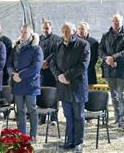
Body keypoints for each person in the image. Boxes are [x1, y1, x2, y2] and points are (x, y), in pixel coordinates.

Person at [50, 22, 90, 153]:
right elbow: (52, 63)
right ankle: (69, 141)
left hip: (77, 86)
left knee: (79, 115)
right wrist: (59, 76)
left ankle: (79, 142)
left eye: (67, 31)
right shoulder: (58, 45)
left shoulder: (83, 45)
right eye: (63, 31)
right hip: (63, 86)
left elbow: (83, 65)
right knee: (68, 115)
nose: (65, 33)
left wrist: (67, 76)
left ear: (73, 31)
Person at [7, 25, 43, 140]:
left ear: (31, 35)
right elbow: (9, 64)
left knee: (31, 109)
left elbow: (36, 67)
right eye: (21, 32)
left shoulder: (36, 49)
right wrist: (13, 74)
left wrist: (20, 75)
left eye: (25, 32)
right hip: (18, 84)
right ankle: (21, 135)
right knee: (20, 110)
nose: (22, 34)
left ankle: (33, 135)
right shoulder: (16, 48)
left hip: (30, 84)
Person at [99, 14, 124, 129]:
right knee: (113, 95)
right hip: (109, 69)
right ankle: (117, 118)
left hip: (122, 69)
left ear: (122, 22)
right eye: (114, 21)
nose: (116, 23)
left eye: (118, 21)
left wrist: (114, 57)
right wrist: (107, 59)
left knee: (122, 95)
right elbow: (100, 50)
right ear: (111, 22)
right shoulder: (106, 35)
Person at [38, 20, 61, 125]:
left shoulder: (57, 39)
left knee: (53, 95)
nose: (45, 30)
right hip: (41, 72)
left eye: (47, 28)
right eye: (43, 28)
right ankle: (41, 118)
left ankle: (53, 118)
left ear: (51, 28)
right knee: (42, 94)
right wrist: (40, 63)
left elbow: (57, 53)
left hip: (52, 72)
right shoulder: (39, 39)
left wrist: (47, 61)